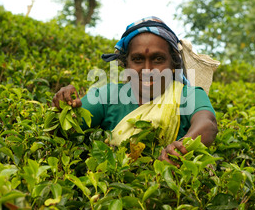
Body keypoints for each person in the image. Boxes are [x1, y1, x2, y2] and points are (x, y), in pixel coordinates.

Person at [52, 16, 218, 166]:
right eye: (138, 59)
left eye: (158, 59)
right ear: (126, 64)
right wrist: (65, 107)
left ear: (173, 65)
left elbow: (207, 123)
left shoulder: (189, 96)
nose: (147, 69)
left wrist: (182, 147)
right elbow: (69, 129)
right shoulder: (107, 96)